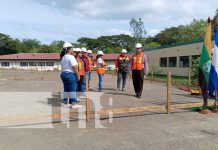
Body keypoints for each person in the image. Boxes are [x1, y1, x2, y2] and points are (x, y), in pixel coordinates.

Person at [60, 42, 82, 108]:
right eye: (72, 48)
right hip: (70, 74)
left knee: (66, 88)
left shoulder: (63, 57)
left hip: (63, 73)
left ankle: (66, 102)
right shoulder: (71, 57)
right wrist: (78, 74)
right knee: (73, 88)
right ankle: (74, 103)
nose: (73, 50)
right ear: (69, 49)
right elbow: (74, 66)